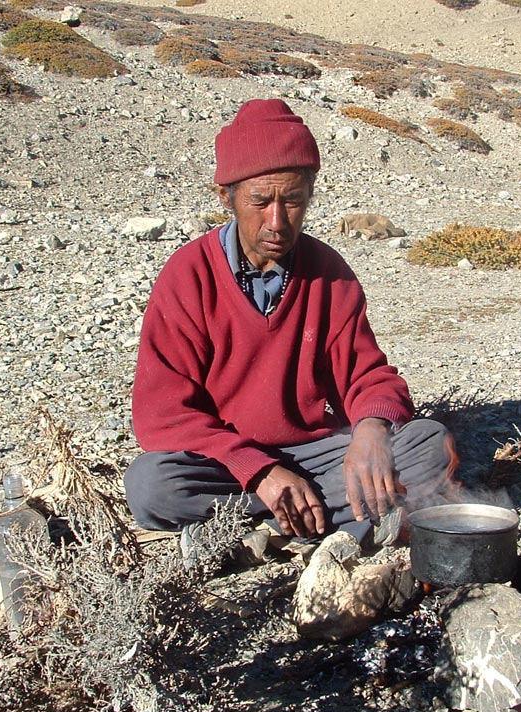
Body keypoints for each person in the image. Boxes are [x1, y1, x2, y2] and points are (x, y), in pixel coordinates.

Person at [125, 98, 454, 551]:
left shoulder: (328, 272)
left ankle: (259, 529)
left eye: (293, 201)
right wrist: (257, 470)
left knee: (427, 445)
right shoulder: (188, 275)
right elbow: (163, 414)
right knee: (151, 485)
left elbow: (366, 374)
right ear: (227, 197)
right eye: (260, 201)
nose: (278, 221)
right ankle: (336, 521)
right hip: (225, 461)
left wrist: (371, 429)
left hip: (314, 455)